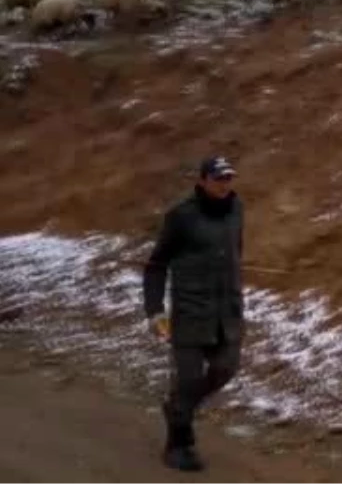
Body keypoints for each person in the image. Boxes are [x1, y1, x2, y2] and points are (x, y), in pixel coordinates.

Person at [143, 155, 245, 472]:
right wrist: (155, 310)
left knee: (226, 369)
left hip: (226, 311)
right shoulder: (181, 216)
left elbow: (235, 252)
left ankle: (177, 409)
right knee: (188, 379)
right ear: (202, 180)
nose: (224, 183)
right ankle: (178, 445)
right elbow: (156, 265)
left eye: (228, 177)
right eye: (218, 178)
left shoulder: (237, 209)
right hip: (189, 313)